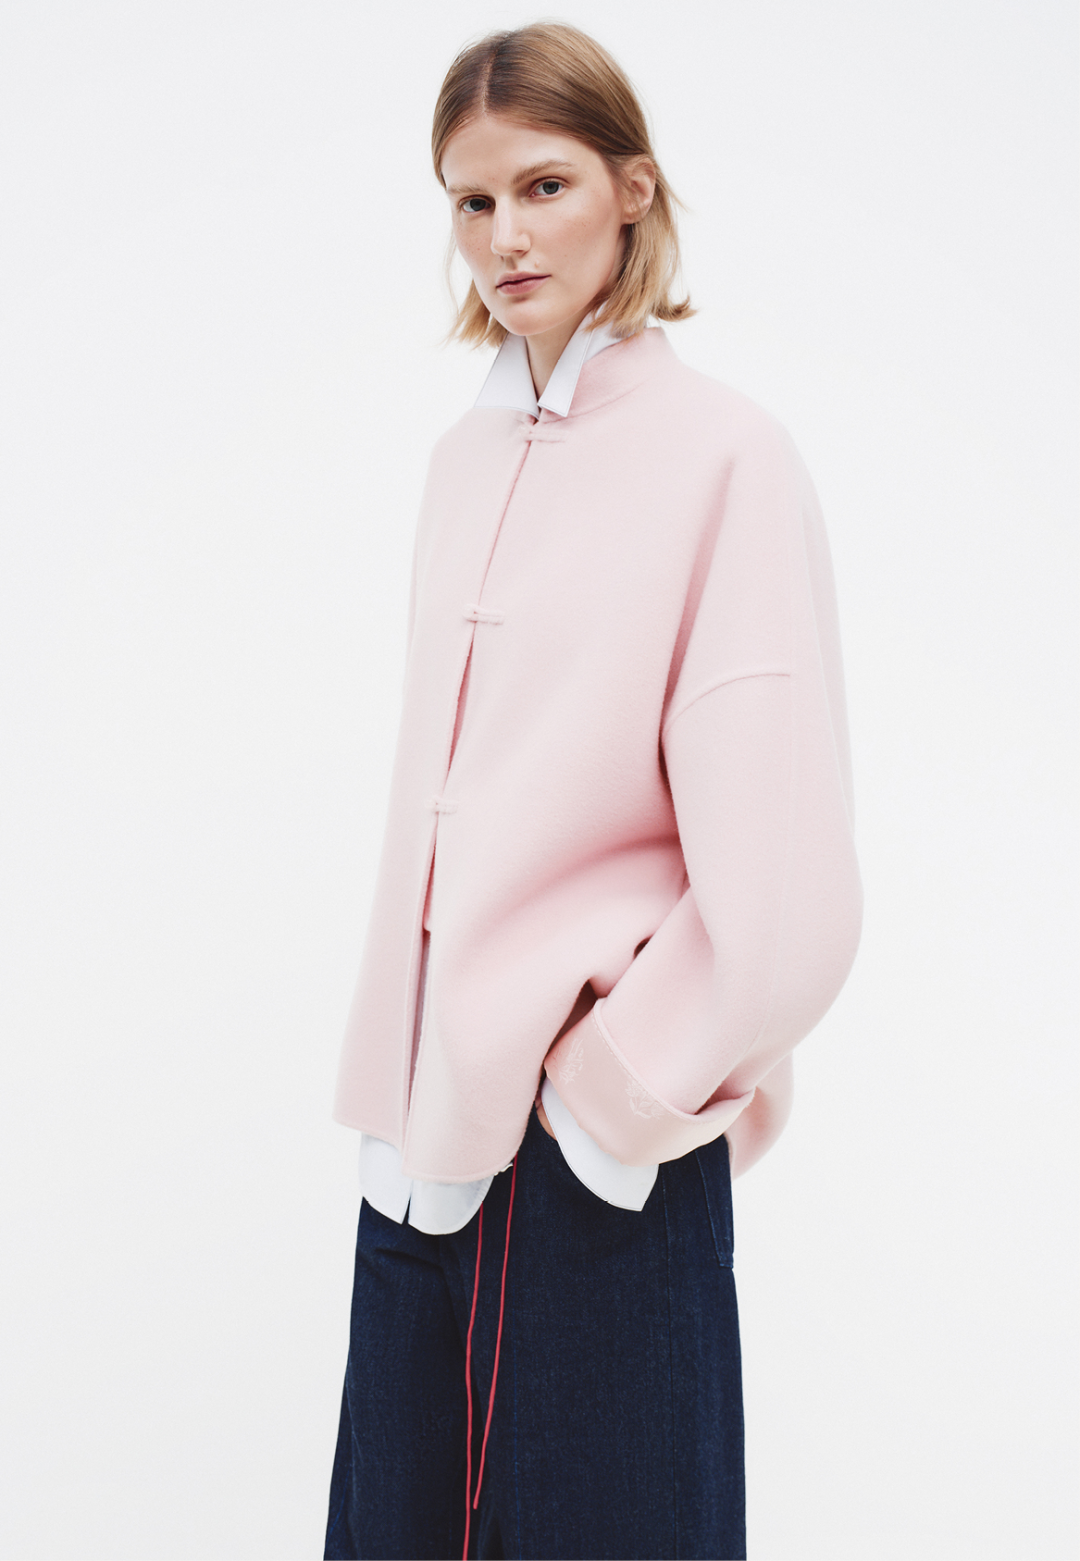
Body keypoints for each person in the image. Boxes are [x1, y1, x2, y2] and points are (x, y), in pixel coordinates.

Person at [324, 21, 862, 1561]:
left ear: (633, 188)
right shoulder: (461, 463)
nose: (504, 235)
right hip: (415, 1168)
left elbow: (788, 888)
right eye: (471, 201)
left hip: (593, 1171)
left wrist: (605, 1108)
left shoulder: (725, 459)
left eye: (543, 186)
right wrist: (409, 1111)